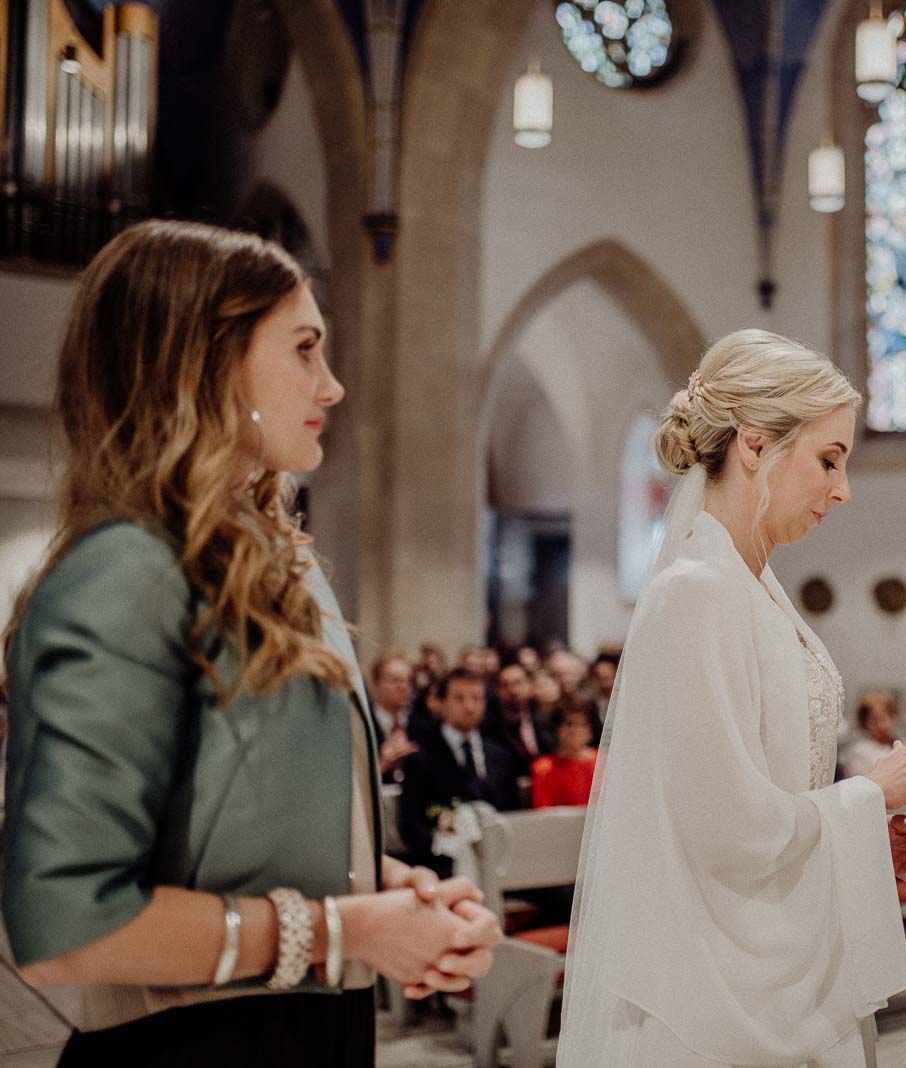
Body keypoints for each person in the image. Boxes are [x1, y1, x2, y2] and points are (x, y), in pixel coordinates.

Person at [0, 220, 499, 1066]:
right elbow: (65, 924)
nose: (332, 385)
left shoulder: (272, 560)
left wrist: (388, 895)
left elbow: (235, 837)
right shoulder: (123, 571)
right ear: (203, 363)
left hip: (310, 1033)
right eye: (305, 349)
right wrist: (348, 929)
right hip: (193, 1045)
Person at [556, 329, 906, 1066]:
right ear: (754, 446)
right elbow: (722, 828)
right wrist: (876, 791)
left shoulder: (754, 586)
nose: (843, 489)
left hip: (774, 955)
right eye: (828, 460)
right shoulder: (695, 593)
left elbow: (765, 786)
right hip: (714, 986)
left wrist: (858, 834)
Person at [399, 667, 525, 876]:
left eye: (476, 699)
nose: (469, 706)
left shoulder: (500, 754)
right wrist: (446, 845)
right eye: (459, 699)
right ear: (442, 703)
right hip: (445, 865)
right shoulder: (421, 758)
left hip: (502, 861)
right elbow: (411, 825)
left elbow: (512, 812)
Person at [530, 703, 600, 808]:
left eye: (583, 724)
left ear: (591, 730)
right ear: (557, 729)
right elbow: (543, 814)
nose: (576, 730)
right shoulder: (543, 768)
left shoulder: (605, 763)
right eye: (569, 724)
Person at [491, 661, 554, 764]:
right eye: (506, 685)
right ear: (498, 691)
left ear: (529, 686)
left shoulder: (544, 719)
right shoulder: (491, 729)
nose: (513, 691)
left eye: (518, 683)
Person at [370, 652, 419, 782]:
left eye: (407, 681)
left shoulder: (420, 726)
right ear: (376, 685)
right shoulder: (363, 726)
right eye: (395, 681)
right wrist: (383, 763)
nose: (403, 687)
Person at [840, 690, 902, 780]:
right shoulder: (858, 753)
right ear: (864, 723)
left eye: (886, 717)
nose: (882, 725)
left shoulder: (904, 744)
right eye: (875, 720)